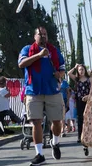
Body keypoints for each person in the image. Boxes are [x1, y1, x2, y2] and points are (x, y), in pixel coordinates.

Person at [18, 26, 66, 166]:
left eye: (45, 34)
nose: (43, 36)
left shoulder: (54, 51)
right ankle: (39, 155)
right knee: (36, 122)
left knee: (57, 122)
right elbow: (21, 64)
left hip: (52, 91)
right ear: (35, 37)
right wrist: (38, 55)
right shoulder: (27, 49)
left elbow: (62, 68)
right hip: (33, 91)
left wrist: (59, 74)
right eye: (40, 34)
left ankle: (55, 142)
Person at [67, 64, 91, 144]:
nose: (81, 71)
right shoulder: (77, 79)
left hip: (88, 101)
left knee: (88, 118)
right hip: (79, 101)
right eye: (80, 70)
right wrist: (75, 67)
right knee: (80, 119)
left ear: (85, 70)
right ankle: (80, 136)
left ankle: (88, 136)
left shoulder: (89, 79)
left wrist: (88, 96)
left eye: (83, 69)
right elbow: (69, 73)